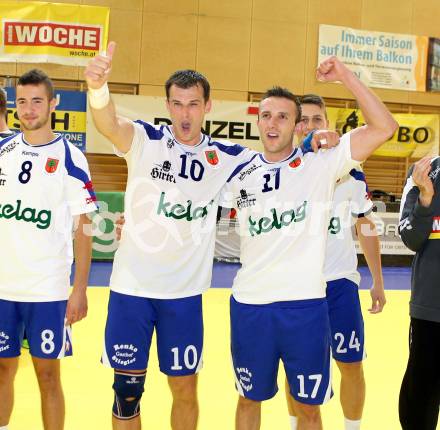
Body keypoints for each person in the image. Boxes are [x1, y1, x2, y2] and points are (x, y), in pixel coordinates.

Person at [219, 57, 397, 430]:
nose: (272, 123)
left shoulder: (323, 164)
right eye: (266, 115)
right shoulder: (237, 171)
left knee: (309, 408)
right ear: (258, 121)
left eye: (282, 116)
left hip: (305, 308)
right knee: (249, 398)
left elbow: (385, 127)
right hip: (251, 306)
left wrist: (346, 77)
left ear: (295, 124)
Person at [0, 69, 96, 430]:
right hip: (4, 288)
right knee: (2, 370)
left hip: (47, 291)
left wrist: (80, 289)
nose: (28, 109)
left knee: (48, 376)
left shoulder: (71, 158)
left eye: (36, 100)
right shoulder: (3, 151)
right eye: (21, 102)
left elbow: (84, 228)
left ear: (53, 103)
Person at [284, 94, 386, 430]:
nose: (311, 126)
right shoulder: (282, 170)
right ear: (296, 126)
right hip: (298, 286)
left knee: (351, 364)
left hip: (340, 283)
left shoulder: (352, 172)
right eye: (305, 120)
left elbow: (365, 223)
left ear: (327, 124)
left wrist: (378, 281)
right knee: (297, 368)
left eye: (318, 120)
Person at [398, 155, 440, 430]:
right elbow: (410, 238)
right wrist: (425, 198)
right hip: (430, 310)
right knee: (420, 401)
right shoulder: (423, 171)